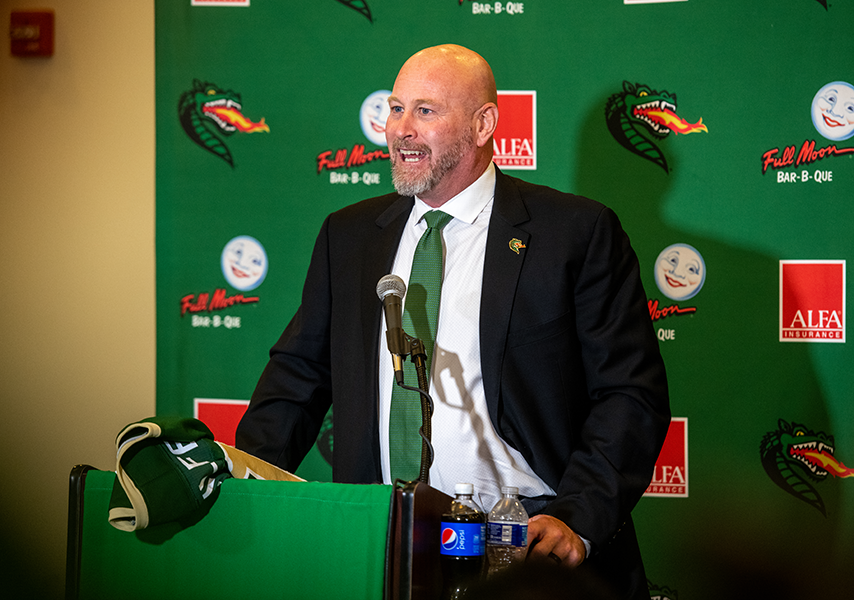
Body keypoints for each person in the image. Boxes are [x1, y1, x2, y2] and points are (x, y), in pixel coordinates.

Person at [236, 44, 670, 599]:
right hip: (380, 545)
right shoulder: (349, 236)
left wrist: (576, 518)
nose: (402, 130)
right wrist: (242, 486)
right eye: (396, 109)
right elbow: (297, 378)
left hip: (525, 549)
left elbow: (629, 394)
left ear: (484, 124)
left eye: (425, 111)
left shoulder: (574, 234)